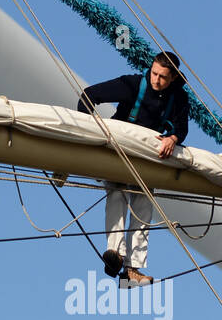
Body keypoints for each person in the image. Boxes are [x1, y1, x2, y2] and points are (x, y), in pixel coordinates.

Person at [77, 51, 190, 286]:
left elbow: (182, 126)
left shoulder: (178, 97)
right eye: (154, 73)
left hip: (148, 156)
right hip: (121, 149)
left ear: (173, 79)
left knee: (144, 204)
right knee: (117, 192)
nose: (156, 80)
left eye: (163, 77)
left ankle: (132, 269)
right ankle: (114, 254)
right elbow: (89, 96)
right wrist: (88, 131)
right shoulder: (132, 84)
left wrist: (174, 138)